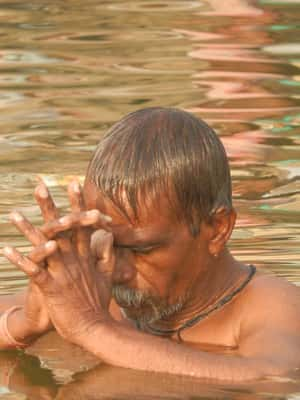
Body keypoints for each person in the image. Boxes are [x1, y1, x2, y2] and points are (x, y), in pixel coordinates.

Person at [0, 107, 299, 382]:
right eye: (104, 243)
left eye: (141, 250)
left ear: (217, 229)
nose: (118, 270)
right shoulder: (101, 290)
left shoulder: (271, 305)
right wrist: (25, 323)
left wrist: (93, 330)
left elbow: (273, 378)